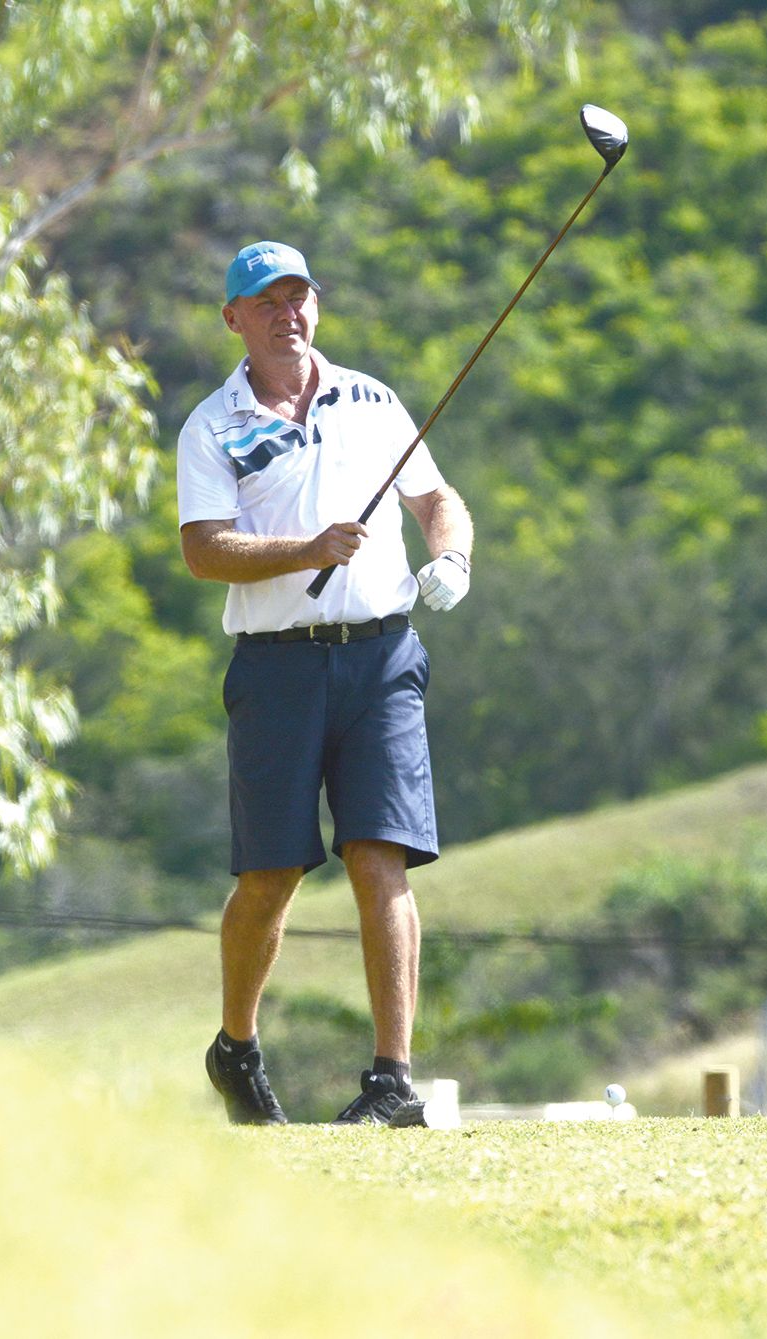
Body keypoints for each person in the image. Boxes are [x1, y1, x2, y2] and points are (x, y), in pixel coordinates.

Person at [175, 241, 473, 1127]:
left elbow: (434, 497)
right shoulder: (212, 425)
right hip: (276, 666)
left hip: (381, 657)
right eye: (266, 302)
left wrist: (451, 555)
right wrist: (307, 550)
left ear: (317, 306)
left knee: (380, 854)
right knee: (269, 872)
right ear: (234, 318)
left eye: (298, 297)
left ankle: (392, 1080)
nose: (287, 314)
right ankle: (236, 1047)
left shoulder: (373, 400)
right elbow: (202, 549)